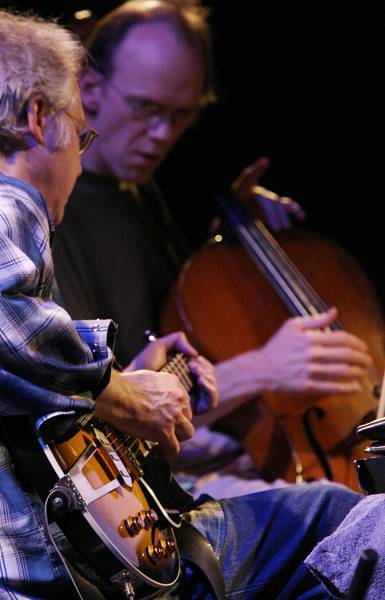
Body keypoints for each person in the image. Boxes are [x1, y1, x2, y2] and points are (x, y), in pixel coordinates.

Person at [0, 8, 370, 600]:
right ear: (43, 118)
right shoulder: (16, 204)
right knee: (352, 523)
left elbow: (48, 407)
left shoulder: (142, 206)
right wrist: (126, 392)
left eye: (182, 116)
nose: (163, 135)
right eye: (82, 131)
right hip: (74, 562)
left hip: (101, 537)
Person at [52, 0, 373, 497]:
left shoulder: (137, 191)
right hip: (132, 486)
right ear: (90, 87)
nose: (162, 135)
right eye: (146, 108)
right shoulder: (57, 212)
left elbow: (185, 322)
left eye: (181, 115)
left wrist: (236, 239)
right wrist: (264, 367)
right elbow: (96, 400)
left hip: (196, 451)